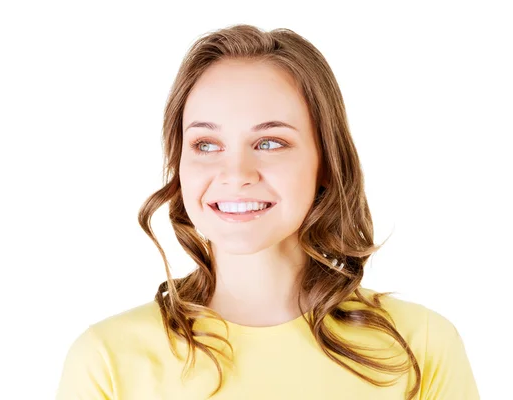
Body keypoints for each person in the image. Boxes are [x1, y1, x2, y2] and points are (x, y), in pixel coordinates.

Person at [55, 24, 479, 399]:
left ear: (326, 162)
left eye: (270, 142)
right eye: (206, 144)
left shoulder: (420, 346)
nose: (235, 173)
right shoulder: (106, 359)